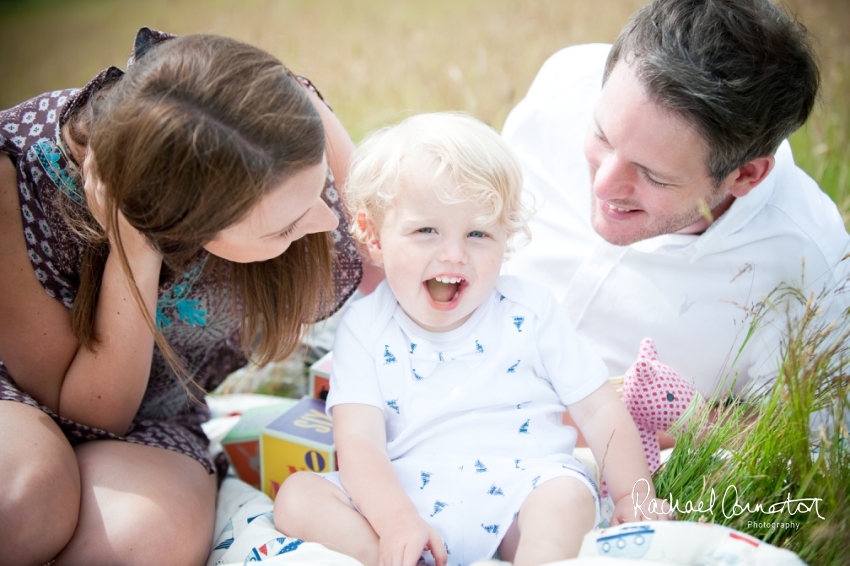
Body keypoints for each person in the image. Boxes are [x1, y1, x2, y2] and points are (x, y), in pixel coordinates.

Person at [0, 29, 362, 565]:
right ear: (183, 224)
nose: (327, 220)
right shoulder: (15, 173)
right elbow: (83, 413)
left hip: (155, 411)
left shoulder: (272, 120)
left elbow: (391, 237)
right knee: (22, 502)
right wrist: (135, 249)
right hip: (22, 392)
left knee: (133, 545)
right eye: (284, 228)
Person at [273, 113, 666, 566]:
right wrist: (398, 520)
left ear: (506, 238)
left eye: (478, 233)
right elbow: (359, 442)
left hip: (520, 491)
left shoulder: (530, 311)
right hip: (402, 498)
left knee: (566, 499)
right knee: (298, 497)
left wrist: (633, 496)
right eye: (426, 231)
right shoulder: (365, 327)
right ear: (374, 236)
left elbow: (599, 408)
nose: (454, 254)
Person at [501, 0, 850, 398]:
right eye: (601, 136)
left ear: (745, 175)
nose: (602, 188)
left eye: (652, 175)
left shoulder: (812, 276)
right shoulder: (563, 87)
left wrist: (644, 420)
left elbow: (790, 439)